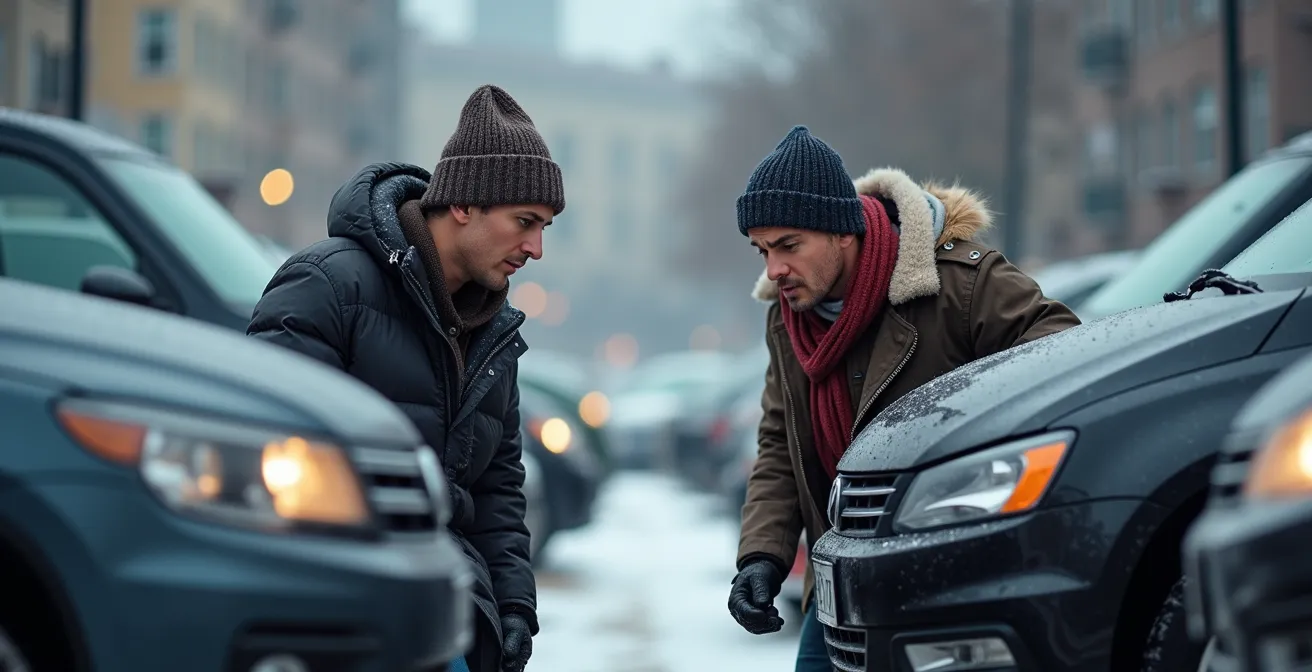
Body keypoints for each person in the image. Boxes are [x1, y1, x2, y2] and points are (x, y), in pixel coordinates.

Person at [725, 126, 1081, 670]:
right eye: (763, 249)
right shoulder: (788, 320)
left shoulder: (959, 284)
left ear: (843, 232)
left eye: (789, 245)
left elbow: (1068, 361)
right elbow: (780, 444)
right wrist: (762, 556)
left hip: (950, 578)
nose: (774, 270)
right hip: (841, 586)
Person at [248, 84, 564, 672]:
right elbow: (267, 452)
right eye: (525, 222)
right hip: (341, 609)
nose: (536, 248)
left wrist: (515, 604)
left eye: (544, 226)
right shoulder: (328, 286)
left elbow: (497, 484)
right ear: (464, 204)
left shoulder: (492, 328)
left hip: (449, 607)